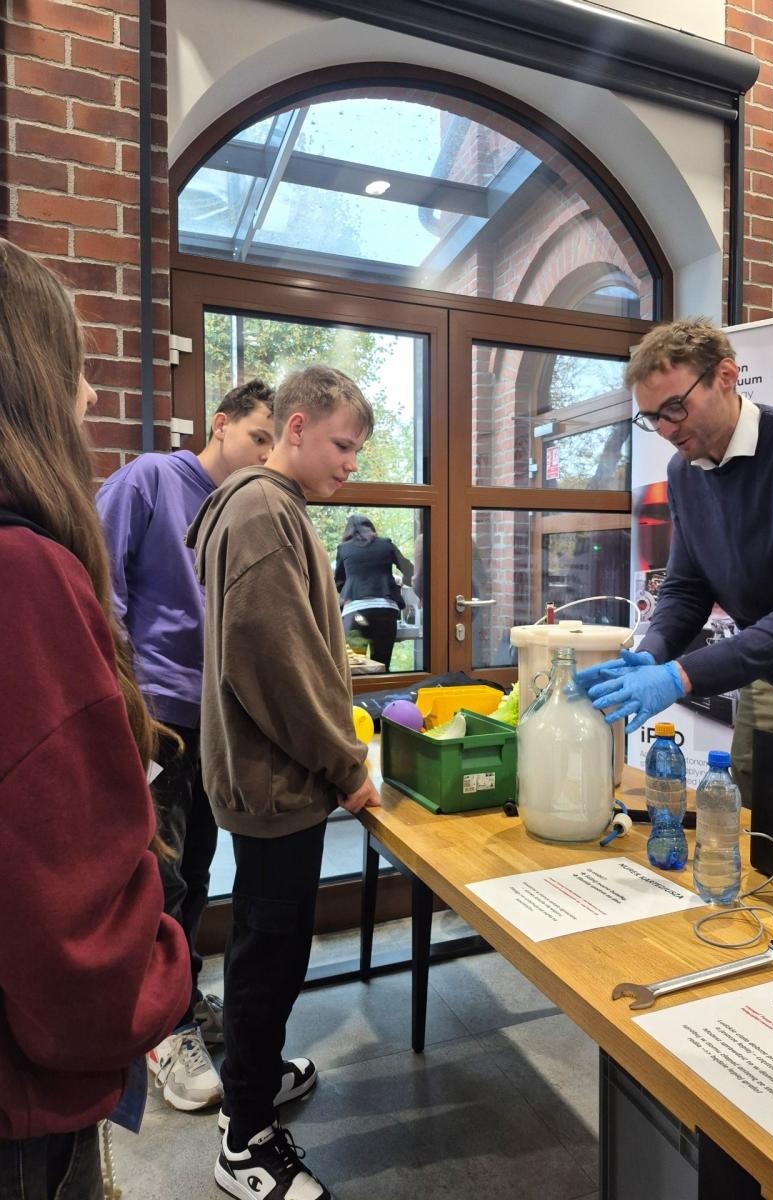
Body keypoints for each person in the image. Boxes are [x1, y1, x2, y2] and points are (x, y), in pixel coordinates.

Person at [0, 238, 191, 1196]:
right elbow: (65, 902)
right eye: (75, 375)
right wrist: (159, 967)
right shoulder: (27, 571)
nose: (87, 404)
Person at [187, 364, 381, 1200]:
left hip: (271, 778)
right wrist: (344, 764)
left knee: (269, 943)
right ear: (294, 427)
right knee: (270, 953)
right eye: (342, 444)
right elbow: (276, 665)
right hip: (277, 785)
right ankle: (245, 1139)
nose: (350, 465)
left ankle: (252, 1082)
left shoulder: (270, 509)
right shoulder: (265, 510)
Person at [578, 318, 773, 803]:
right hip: (771, 681)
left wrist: (679, 676)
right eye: (652, 417)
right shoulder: (684, 472)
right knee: (754, 838)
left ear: (726, 376)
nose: (665, 429)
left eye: (675, 408)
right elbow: (687, 588)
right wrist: (653, 650)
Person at [96, 379, 276, 1114]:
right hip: (154, 716)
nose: (267, 453)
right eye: (259, 437)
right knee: (157, 878)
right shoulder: (150, 480)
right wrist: (122, 704)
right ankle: (162, 1032)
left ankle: (177, 1000)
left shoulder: (246, 510)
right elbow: (99, 587)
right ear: (221, 424)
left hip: (214, 719)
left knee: (197, 873)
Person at [334, 513, 414, 670]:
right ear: (371, 528)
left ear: (349, 531)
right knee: (382, 664)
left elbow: (338, 582)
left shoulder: (344, 549)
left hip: (354, 613)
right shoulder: (386, 545)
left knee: (356, 666)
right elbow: (410, 571)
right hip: (385, 610)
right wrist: (399, 582)